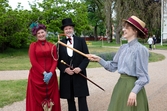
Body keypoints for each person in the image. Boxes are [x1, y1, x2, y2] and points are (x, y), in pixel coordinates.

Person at [88, 15, 150, 111]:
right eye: (124, 27)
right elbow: (112, 66)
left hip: (133, 87)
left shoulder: (141, 50)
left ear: (135, 30)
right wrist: (99, 59)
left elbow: (144, 77)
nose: (124, 29)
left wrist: (134, 92)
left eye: (127, 28)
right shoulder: (123, 48)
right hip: (120, 86)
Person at [26, 24, 61, 111]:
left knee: (53, 98)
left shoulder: (52, 45)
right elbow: (33, 61)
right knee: (36, 100)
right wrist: (44, 73)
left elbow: (55, 60)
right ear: (36, 35)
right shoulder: (33, 46)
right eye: (38, 33)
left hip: (51, 77)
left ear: (46, 33)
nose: (41, 34)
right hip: (36, 76)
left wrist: (51, 73)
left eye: (42, 32)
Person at [58, 18, 90, 111]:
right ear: (64, 31)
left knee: (82, 98)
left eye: (70, 28)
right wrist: (65, 69)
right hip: (67, 75)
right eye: (66, 29)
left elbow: (86, 57)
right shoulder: (60, 43)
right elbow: (57, 60)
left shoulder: (81, 40)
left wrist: (80, 68)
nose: (68, 30)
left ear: (73, 29)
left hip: (79, 73)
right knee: (70, 99)